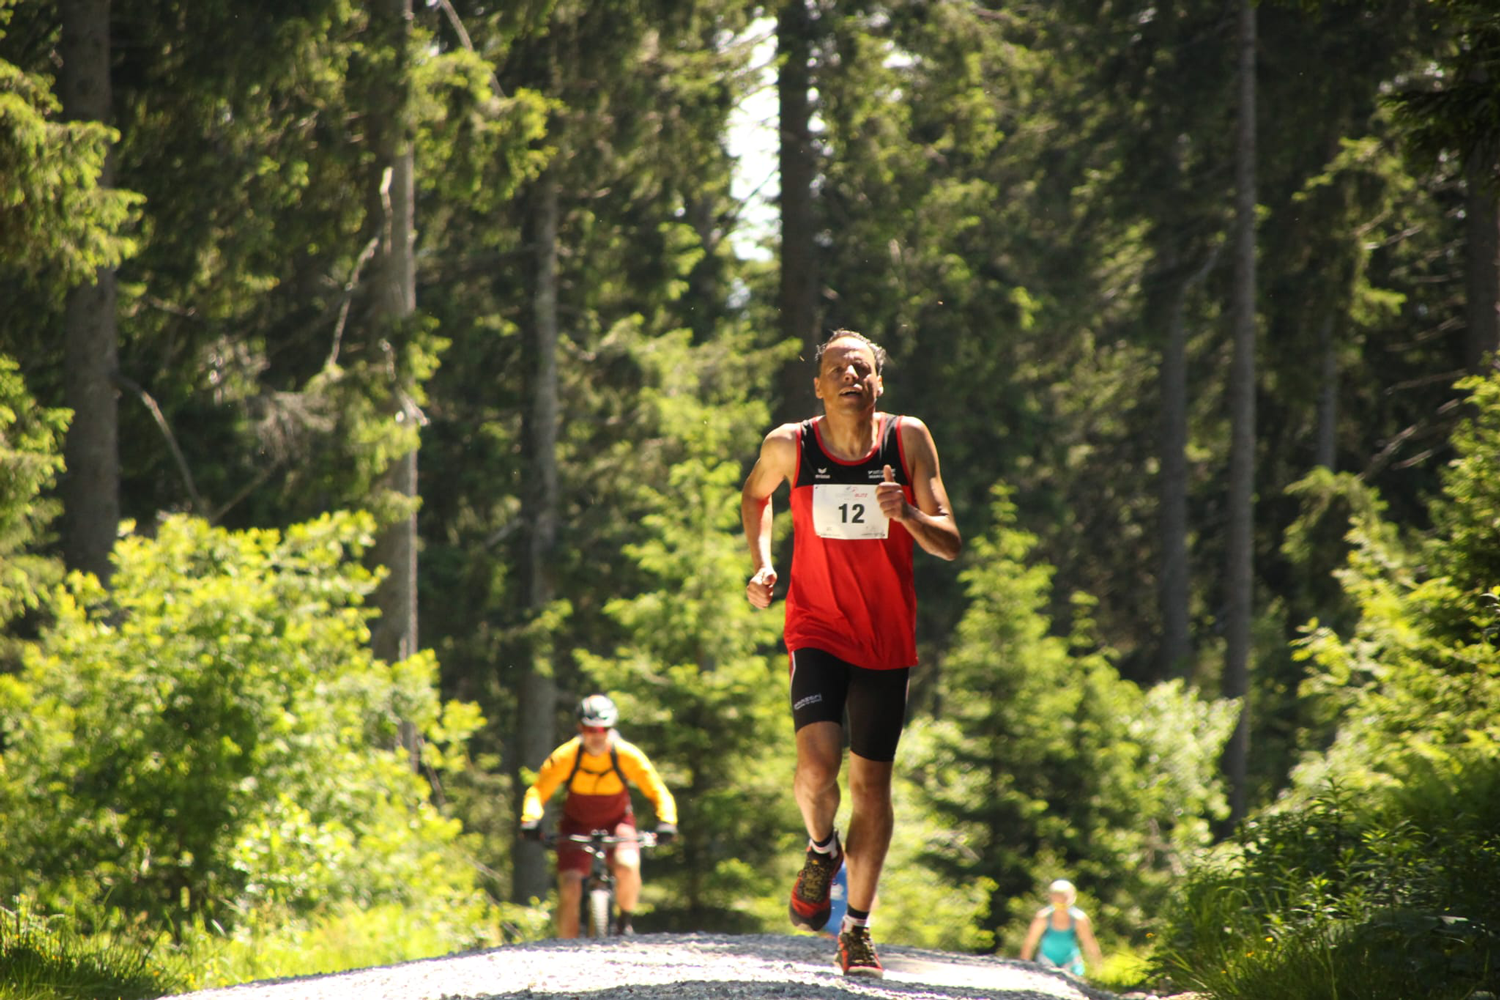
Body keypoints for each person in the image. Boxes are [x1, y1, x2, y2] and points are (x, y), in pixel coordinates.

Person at [741, 330, 962, 978]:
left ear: (878, 383)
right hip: (816, 628)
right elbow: (755, 495)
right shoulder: (791, 445)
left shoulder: (907, 439)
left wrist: (908, 514)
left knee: (871, 788)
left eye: (862, 369)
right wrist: (762, 563)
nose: (850, 377)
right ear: (818, 385)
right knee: (816, 769)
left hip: (885, 641)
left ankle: (857, 929)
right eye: (837, 368)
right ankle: (820, 849)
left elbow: (950, 541)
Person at [519, 694, 678, 937]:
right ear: (579, 728)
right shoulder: (566, 756)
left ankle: (624, 922)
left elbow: (657, 789)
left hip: (617, 822)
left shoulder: (626, 755)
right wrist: (530, 819)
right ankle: (565, 947)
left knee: (628, 865)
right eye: (589, 729)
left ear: (612, 728)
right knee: (570, 885)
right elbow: (538, 790)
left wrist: (667, 821)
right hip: (576, 824)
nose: (597, 735)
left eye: (603, 728)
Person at [1020, 878, 1105, 978]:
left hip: (1071, 963)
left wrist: (1098, 969)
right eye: (1057, 902)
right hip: (1046, 961)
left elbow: (1089, 943)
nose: (1060, 905)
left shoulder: (1079, 919)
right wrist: (1024, 967)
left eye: (1064, 902)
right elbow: (1030, 943)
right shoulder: (1043, 917)